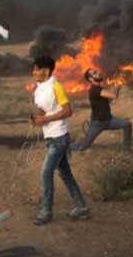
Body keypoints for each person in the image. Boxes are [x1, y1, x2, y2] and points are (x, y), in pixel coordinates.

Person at [29, 56, 90, 226]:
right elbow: (43, 110)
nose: (33, 72)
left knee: (46, 173)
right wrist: (37, 118)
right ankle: (82, 207)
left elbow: (68, 111)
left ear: (46, 71)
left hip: (59, 138)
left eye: (36, 69)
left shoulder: (56, 87)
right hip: (51, 137)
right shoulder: (39, 88)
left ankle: (46, 211)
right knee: (65, 174)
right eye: (33, 69)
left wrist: (45, 120)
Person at [74, 68, 133, 151]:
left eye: (97, 71)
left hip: (109, 120)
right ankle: (63, 146)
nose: (98, 73)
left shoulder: (100, 88)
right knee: (82, 147)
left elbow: (109, 100)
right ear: (91, 79)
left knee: (127, 124)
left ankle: (126, 149)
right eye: (95, 73)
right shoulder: (95, 89)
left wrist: (117, 88)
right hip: (97, 124)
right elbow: (114, 96)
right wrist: (116, 86)